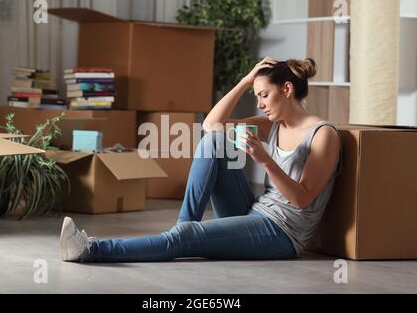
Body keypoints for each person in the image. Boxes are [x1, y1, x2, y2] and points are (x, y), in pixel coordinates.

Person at [59, 57, 343, 263]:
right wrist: (246, 80)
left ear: (287, 90)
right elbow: (211, 126)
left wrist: (265, 160)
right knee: (215, 140)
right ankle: (184, 225)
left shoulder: (322, 135)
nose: (260, 104)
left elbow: (303, 199)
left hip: (282, 233)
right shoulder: (274, 125)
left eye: (264, 95)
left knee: (185, 239)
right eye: (256, 96)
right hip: (254, 212)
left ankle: (91, 250)